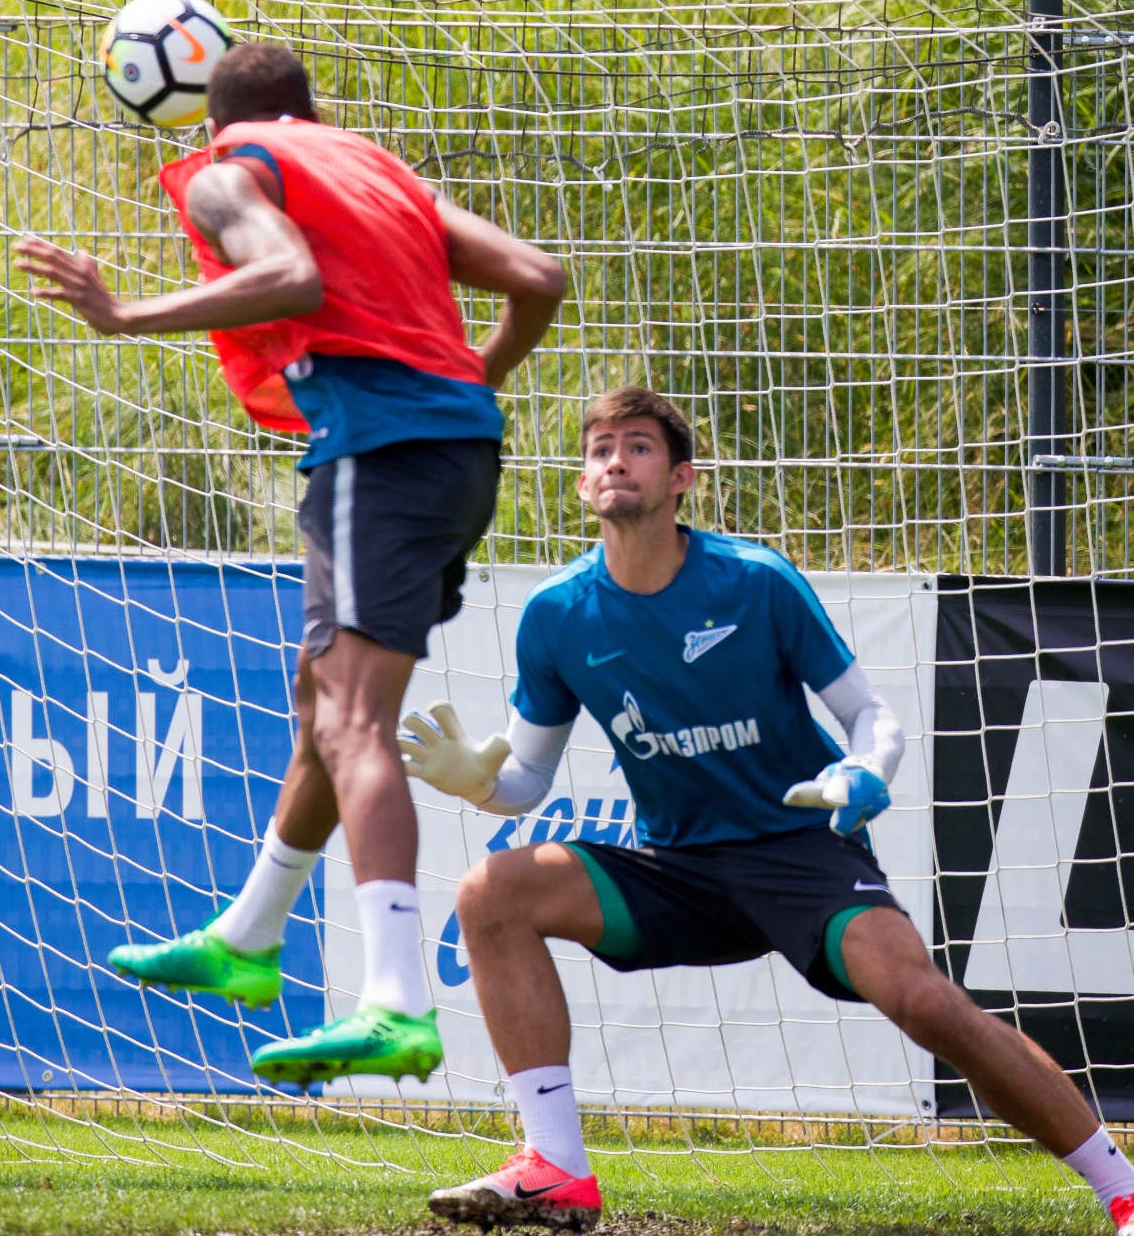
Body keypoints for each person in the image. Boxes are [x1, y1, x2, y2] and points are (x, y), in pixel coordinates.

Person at [399, 385, 1134, 1234]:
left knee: (925, 1004)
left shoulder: (754, 580)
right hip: (677, 868)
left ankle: (1120, 1187)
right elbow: (526, 775)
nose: (614, 460)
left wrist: (863, 771)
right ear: (580, 483)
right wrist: (478, 783)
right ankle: (555, 1166)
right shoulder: (557, 614)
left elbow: (871, 716)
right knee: (490, 892)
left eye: (636, 446)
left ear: (682, 478)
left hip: (800, 850)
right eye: (599, 448)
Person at [14, 43, 564, 1088]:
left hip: (376, 448)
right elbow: (538, 278)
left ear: (202, 117)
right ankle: (250, 935)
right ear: (306, 111)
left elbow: (288, 276)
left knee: (351, 717)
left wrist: (123, 313)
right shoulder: (376, 171)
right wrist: (462, 385)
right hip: (456, 453)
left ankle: (395, 1002)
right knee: (323, 696)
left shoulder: (228, 167)